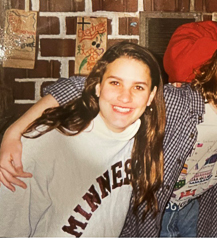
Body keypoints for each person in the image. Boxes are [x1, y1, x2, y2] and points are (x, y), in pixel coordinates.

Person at [0, 28, 217, 237]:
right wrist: (15, 130)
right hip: (149, 219)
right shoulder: (180, 101)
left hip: (191, 217)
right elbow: (81, 86)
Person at [0, 42, 165, 237]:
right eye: (115, 83)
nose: (125, 97)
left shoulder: (141, 140)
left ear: (151, 96)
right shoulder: (45, 142)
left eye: (138, 87)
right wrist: (13, 131)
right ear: (97, 86)